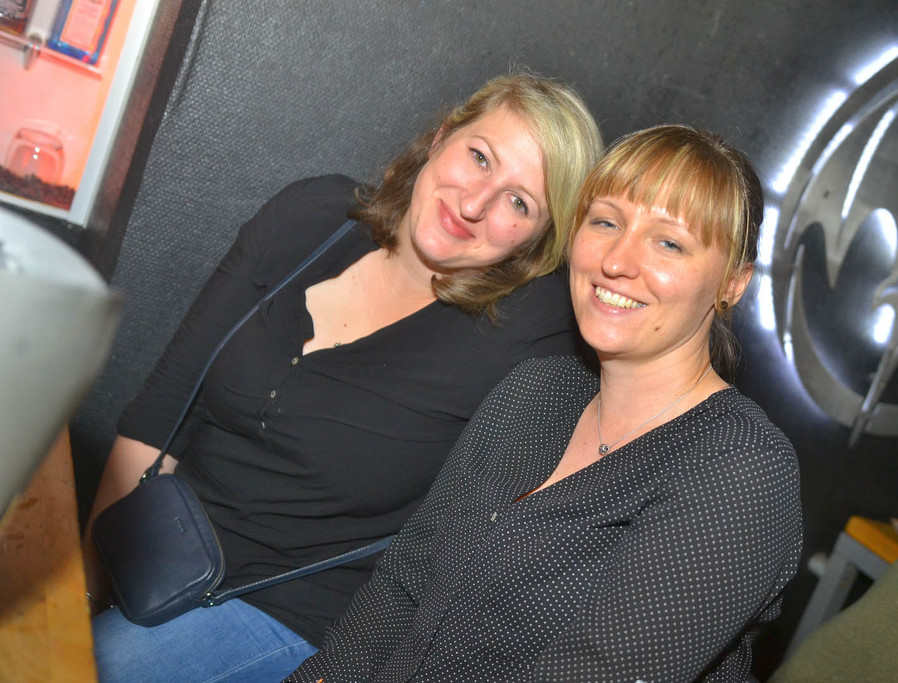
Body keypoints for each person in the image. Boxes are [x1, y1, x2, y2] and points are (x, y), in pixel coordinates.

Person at [84, 72, 602, 683]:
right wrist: (84, 589)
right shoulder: (312, 219)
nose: (474, 204)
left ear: (539, 243)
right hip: (165, 549)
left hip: (291, 615)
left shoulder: (530, 331)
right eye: (479, 157)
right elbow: (159, 419)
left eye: (520, 203)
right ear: (442, 135)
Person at [287, 125, 803, 682]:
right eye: (606, 222)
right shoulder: (535, 390)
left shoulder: (741, 468)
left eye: (669, 243)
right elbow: (400, 590)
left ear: (733, 283)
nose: (616, 261)